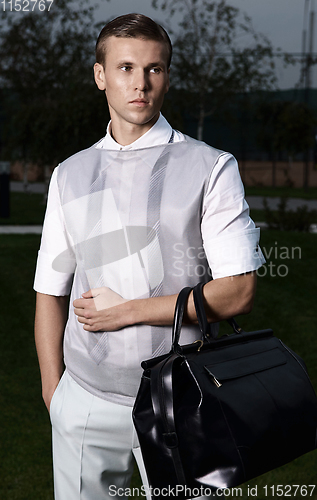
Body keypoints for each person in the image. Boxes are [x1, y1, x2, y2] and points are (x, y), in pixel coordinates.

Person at [34, 13, 265, 500]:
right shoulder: (69, 174)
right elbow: (50, 290)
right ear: (101, 76)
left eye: (154, 69)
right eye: (125, 68)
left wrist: (127, 312)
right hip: (84, 402)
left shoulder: (211, 167)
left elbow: (239, 291)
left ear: (167, 76)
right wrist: (54, 393)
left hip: (182, 402)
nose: (140, 83)